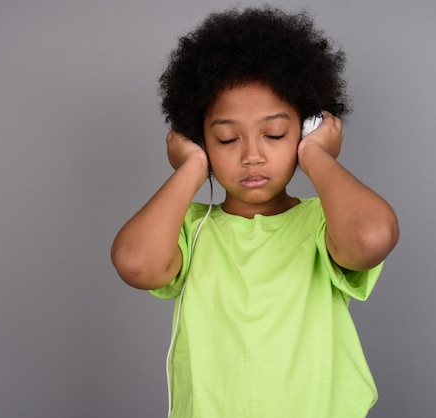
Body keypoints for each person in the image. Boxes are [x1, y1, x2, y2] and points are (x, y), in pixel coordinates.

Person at [110, 6, 399, 418]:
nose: (252, 156)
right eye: (228, 139)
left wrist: (315, 155)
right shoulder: (191, 228)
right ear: (200, 139)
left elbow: (371, 237)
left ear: (306, 127)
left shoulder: (323, 223)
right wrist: (192, 168)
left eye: (276, 134)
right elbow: (135, 262)